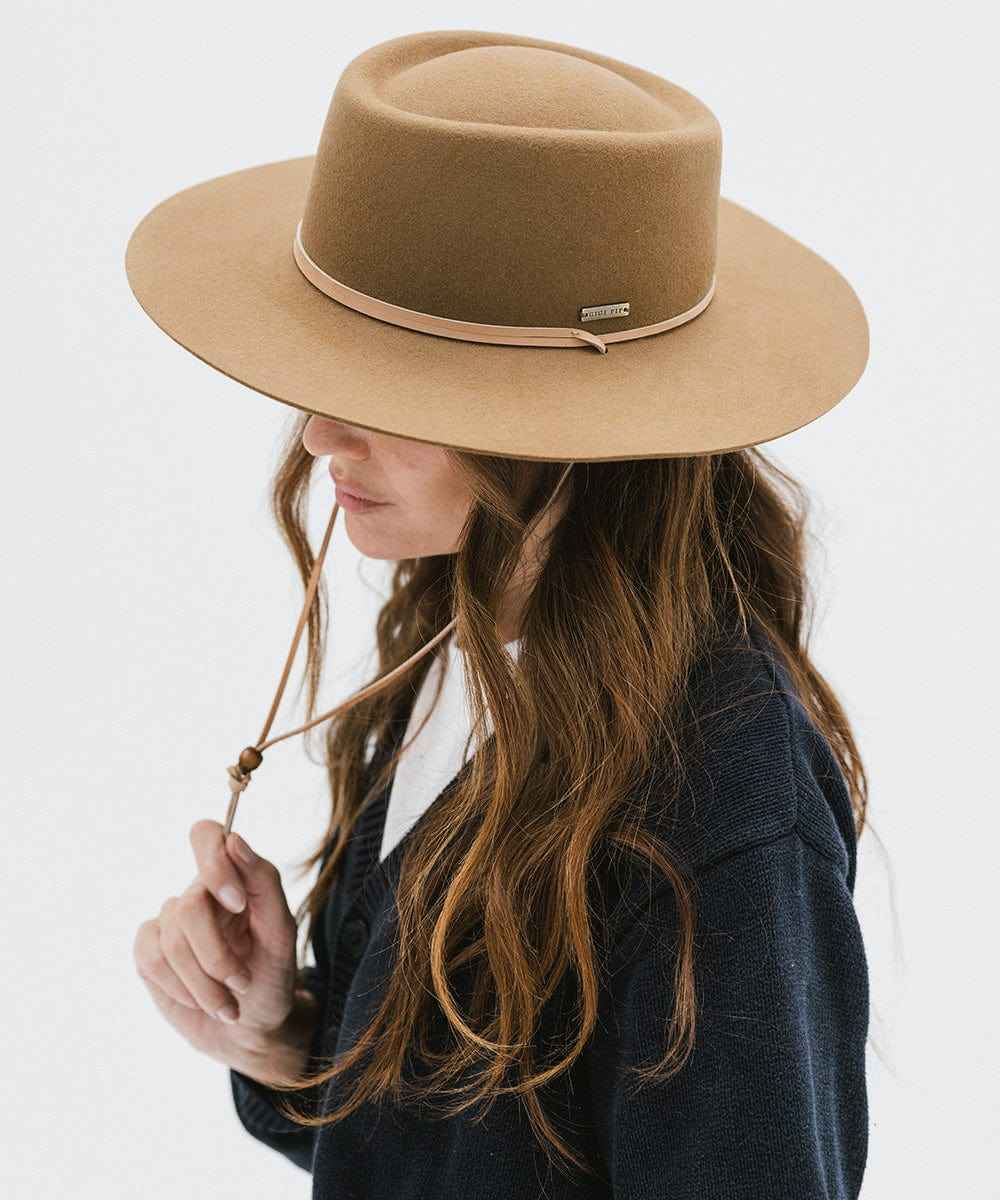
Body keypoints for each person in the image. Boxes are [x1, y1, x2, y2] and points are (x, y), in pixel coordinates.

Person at [126, 29, 871, 1200]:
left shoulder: (724, 799)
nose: (321, 434)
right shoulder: (461, 633)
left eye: (394, 387)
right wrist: (286, 1043)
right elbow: (461, 1151)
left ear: (562, 424)